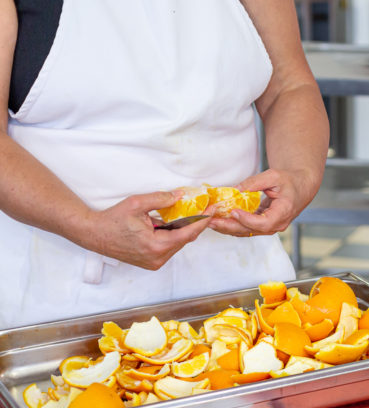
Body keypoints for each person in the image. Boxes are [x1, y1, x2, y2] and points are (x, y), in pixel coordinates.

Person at [0, 0, 328, 328]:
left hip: (240, 279)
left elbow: (289, 86)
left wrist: (301, 175)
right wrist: (87, 226)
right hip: (69, 296)